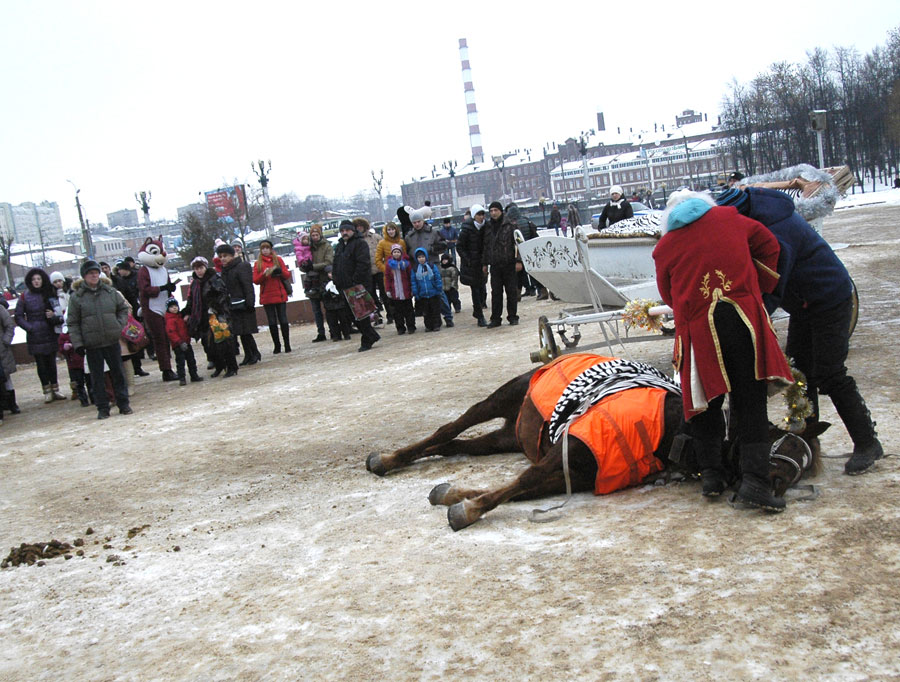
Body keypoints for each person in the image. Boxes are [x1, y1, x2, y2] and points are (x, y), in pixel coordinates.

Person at [716, 185, 883, 475]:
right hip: (805, 304)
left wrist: (754, 315)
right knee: (800, 375)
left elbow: (774, 281)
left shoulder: (777, 231)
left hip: (828, 298)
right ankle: (808, 445)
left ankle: (867, 442)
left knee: (829, 373)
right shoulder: (758, 216)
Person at [653, 190, 792, 511]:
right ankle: (755, 483)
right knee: (749, 401)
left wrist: (692, 306)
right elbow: (771, 246)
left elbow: (668, 293)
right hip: (743, 322)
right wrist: (755, 286)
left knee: (707, 403)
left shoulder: (665, 246)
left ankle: (713, 476)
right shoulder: (731, 218)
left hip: (700, 331)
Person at [66, 260, 133, 419]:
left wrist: (118, 326)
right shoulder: (77, 297)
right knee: (97, 379)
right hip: (92, 344)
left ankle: (123, 404)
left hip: (111, 340)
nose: (94, 275)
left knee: (118, 374)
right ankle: (102, 408)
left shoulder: (110, 292)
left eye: (96, 272)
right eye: (90, 273)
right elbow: (73, 322)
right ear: (84, 277)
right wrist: (78, 343)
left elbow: (123, 309)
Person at [15, 267, 65, 402]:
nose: (36, 282)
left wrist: (54, 316)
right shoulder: (25, 296)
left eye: (39, 279)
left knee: (52, 362)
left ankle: (56, 389)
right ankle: (46, 390)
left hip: (49, 331)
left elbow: (59, 308)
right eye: (33, 279)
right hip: (35, 334)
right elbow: (18, 316)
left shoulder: (49, 293)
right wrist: (29, 327)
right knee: (41, 364)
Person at [184, 256, 238, 377]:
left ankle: (231, 367)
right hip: (202, 317)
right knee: (209, 345)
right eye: (196, 268)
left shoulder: (214, 278)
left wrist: (214, 307)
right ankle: (219, 366)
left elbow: (223, 295)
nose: (199, 271)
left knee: (223, 342)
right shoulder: (195, 283)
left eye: (201, 267)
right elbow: (191, 300)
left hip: (217, 315)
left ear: (205, 267)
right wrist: (187, 312)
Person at [332, 220, 381, 352]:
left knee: (361, 314)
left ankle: (367, 338)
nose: (344, 233)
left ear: (353, 230)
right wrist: (336, 279)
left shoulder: (360, 243)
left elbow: (363, 264)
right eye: (342, 231)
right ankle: (371, 335)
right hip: (343, 286)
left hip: (357, 286)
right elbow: (336, 264)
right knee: (350, 315)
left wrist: (355, 281)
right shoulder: (340, 246)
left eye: (347, 230)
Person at [404, 208, 453, 327]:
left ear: (423, 220)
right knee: (424, 296)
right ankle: (430, 320)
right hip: (418, 270)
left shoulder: (433, 232)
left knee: (439, 293)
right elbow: (407, 253)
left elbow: (444, 245)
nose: (416, 224)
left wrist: (432, 249)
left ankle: (448, 316)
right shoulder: (409, 237)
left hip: (433, 266)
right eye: (414, 222)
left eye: (418, 221)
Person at [217, 243, 260, 366]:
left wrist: (250, 302)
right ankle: (249, 354)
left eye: (225, 256)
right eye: (220, 256)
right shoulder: (225, 270)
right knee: (240, 331)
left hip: (243, 304)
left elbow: (247, 286)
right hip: (232, 305)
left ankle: (254, 353)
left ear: (232, 255)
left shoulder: (241, 266)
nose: (223, 259)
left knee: (246, 331)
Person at [481, 201, 519, 327]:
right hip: (495, 265)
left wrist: (518, 261)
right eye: (491, 211)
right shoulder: (487, 226)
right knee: (496, 293)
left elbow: (518, 244)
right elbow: (485, 246)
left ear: (501, 211)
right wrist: (485, 263)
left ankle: (513, 316)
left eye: (495, 210)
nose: (493, 213)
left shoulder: (510, 225)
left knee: (511, 292)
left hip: (509, 263)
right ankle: (496, 318)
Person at [111, 260, 150, 378]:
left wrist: (133, 313)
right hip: (114, 324)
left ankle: (137, 367)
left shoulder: (120, 284)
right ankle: (126, 375)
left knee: (133, 344)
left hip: (127, 319)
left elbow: (130, 301)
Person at [252, 239, 292, 354]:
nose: (265, 250)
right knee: (272, 321)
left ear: (271, 249)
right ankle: (277, 345)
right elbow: (255, 280)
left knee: (283, 319)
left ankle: (287, 344)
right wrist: (264, 274)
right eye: (263, 248)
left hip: (279, 294)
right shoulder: (258, 263)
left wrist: (279, 272)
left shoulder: (278, 260)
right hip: (267, 296)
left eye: (267, 248)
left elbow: (287, 274)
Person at [457, 204, 488, 326]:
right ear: (474, 216)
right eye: (478, 215)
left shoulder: (486, 227)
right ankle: (480, 315)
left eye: (482, 214)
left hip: (482, 263)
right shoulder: (466, 229)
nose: (481, 217)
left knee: (482, 288)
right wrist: (468, 259)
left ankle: (478, 309)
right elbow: (460, 246)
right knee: (475, 289)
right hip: (471, 265)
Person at [306, 224, 334, 342]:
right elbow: (303, 262)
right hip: (312, 282)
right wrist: (306, 267)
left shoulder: (326, 246)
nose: (315, 237)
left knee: (329, 307)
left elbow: (328, 261)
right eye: (313, 235)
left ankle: (333, 330)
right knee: (316, 310)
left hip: (324, 280)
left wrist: (313, 266)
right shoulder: (307, 248)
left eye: (317, 234)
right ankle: (320, 332)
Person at [164, 297, 203, 385]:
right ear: (168, 309)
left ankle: (194, 375)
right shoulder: (170, 320)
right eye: (171, 307)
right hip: (178, 345)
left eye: (175, 306)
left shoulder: (180, 317)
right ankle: (182, 378)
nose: (174, 308)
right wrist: (179, 342)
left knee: (191, 361)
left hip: (187, 343)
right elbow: (171, 333)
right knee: (180, 363)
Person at [353, 217, 384, 324]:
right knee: (370, 295)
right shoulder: (356, 241)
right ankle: (376, 314)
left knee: (384, 292)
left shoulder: (375, 237)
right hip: (366, 272)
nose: (359, 228)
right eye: (357, 227)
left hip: (379, 269)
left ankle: (390, 313)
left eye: (361, 226)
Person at [374, 221, 406, 326]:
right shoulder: (382, 243)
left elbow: (405, 257)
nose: (391, 231)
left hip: (402, 274)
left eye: (392, 229)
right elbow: (378, 260)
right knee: (392, 300)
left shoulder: (401, 242)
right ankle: (397, 321)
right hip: (389, 276)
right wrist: (386, 269)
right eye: (389, 230)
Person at [384, 244, 416, 334]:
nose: (396, 254)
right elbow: (387, 278)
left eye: (398, 252)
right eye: (395, 252)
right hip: (395, 293)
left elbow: (411, 277)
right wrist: (388, 290)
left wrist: (412, 289)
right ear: (392, 253)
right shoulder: (389, 265)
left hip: (406, 292)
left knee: (409, 311)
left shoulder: (406, 264)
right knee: (397, 312)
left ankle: (411, 326)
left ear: (401, 253)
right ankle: (400, 327)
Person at [410, 248, 443, 332]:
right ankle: (428, 325)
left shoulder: (431, 266)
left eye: (423, 257)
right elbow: (413, 281)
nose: (421, 259)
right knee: (426, 312)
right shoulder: (415, 269)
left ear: (426, 257)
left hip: (433, 293)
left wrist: (439, 287)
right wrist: (415, 292)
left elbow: (437, 277)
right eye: (419, 257)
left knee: (435, 310)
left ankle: (436, 324)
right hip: (423, 294)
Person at [0, 298, 20, 415]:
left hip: (1, 349)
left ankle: (12, 404)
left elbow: (9, 325)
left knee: (6, 377)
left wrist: (6, 341)